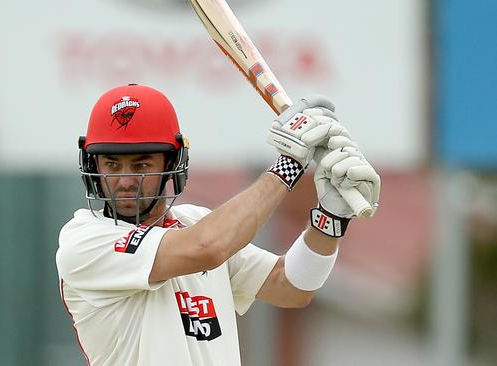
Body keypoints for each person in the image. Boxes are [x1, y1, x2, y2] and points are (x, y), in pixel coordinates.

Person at [56, 83, 380, 366]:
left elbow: (292, 287)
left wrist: (331, 216)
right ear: (92, 164)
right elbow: (207, 248)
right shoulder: (83, 241)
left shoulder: (195, 223)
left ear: (171, 164)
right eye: (112, 164)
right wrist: (290, 163)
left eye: (141, 163)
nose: (125, 180)